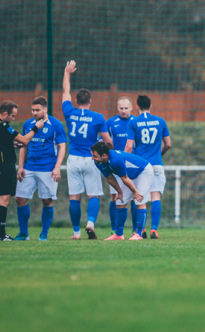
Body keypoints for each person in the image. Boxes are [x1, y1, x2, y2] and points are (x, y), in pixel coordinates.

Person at [61, 61, 112, 240]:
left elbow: (65, 92)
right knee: (94, 195)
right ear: (90, 101)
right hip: (92, 159)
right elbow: (106, 141)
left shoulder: (69, 111)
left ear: (76, 101)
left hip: (73, 159)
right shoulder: (98, 117)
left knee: (74, 197)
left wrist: (67, 73)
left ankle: (76, 233)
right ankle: (90, 223)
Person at [0, 100, 46, 241]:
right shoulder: (4, 125)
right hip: (5, 165)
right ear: (5, 114)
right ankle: (2, 234)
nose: (13, 119)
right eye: (12, 116)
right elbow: (25, 140)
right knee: (4, 200)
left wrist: (11, 145)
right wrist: (36, 128)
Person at [14, 97, 67, 241]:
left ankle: (44, 233)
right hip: (29, 167)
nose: (34, 113)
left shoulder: (56, 124)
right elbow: (24, 146)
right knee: (19, 199)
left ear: (45, 110)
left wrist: (57, 168)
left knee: (47, 201)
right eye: (32, 110)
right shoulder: (28, 124)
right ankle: (24, 233)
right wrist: (20, 167)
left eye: (37, 110)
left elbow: (62, 146)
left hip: (48, 169)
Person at [125, 95, 171, 240]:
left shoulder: (133, 122)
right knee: (155, 196)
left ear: (137, 107)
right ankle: (154, 229)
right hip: (156, 164)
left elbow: (129, 146)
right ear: (151, 106)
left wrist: (126, 161)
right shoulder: (160, 121)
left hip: (140, 165)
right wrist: (159, 155)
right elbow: (168, 144)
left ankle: (139, 229)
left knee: (137, 196)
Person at [90, 142, 154, 240]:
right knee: (120, 201)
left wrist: (135, 192)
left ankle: (139, 234)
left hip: (143, 171)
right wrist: (119, 192)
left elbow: (124, 178)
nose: (92, 158)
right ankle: (119, 234)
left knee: (139, 201)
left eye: (95, 156)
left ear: (104, 155)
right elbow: (110, 178)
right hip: (129, 177)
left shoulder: (116, 160)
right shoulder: (98, 162)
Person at [107, 97, 135, 237]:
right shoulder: (111, 122)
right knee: (115, 197)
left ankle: (136, 229)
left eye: (126, 108)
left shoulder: (136, 122)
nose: (123, 111)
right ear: (117, 108)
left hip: (132, 165)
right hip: (116, 165)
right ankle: (115, 229)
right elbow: (105, 140)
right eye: (121, 108)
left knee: (135, 197)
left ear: (131, 107)